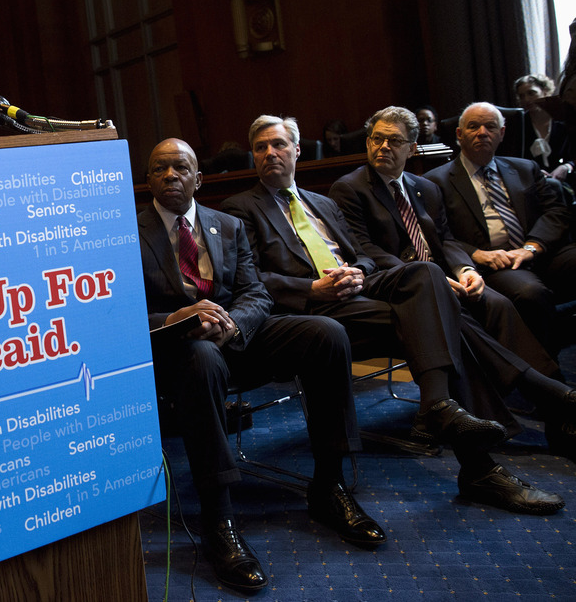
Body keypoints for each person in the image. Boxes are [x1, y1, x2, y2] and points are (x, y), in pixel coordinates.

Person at [220, 115, 565, 515]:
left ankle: (442, 409)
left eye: (278, 145)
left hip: (358, 291)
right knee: (444, 319)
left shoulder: (323, 203)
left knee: (425, 273)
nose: (269, 154)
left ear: (297, 150)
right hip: (314, 311)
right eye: (260, 148)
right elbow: (253, 279)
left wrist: (358, 271)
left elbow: (363, 255)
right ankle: (494, 443)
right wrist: (314, 288)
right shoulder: (239, 208)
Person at [139, 138, 384, 595]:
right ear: (148, 179)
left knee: (325, 333)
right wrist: (175, 319)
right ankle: (219, 518)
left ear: (199, 178)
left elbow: (257, 294)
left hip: (235, 337)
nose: (170, 176)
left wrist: (231, 325)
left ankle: (329, 486)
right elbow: (118, 308)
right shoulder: (129, 234)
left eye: (180, 168)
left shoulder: (227, 226)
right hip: (181, 352)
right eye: (159, 170)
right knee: (201, 356)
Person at [329, 106, 576, 459]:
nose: (383, 146)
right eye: (376, 138)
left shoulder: (423, 187)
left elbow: (445, 240)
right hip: (397, 285)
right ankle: (556, 403)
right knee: (460, 317)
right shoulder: (350, 188)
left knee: (498, 304)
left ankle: (553, 407)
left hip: (441, 276)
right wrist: (434, 278)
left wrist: (465, 271)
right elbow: (365, 249)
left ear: (412, 148)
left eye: (394, 140)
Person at [425, 102, 576, 358]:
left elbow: (557, 212)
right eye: (473, 126)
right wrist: (477, 254)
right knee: (531, 294)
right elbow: (439, 236)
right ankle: (550, 378)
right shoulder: (435, 181)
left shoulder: (524, 168)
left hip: (536, 250)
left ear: (502, 133)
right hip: (494, 263)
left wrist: (531, 248)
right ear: (459, 135)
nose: (482, 132)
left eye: (490, 127)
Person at [513, 74, 574, 182]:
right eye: (522, 96)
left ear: (545, 91)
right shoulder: (519, 124)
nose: (526, 99)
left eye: (531, 93)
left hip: (565, 181)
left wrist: (566, 167)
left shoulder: (563, 121)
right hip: (531, 182)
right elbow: (513, 159)